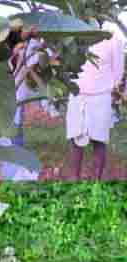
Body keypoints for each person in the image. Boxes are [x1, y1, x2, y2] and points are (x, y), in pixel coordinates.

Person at [64, 18, 125, 180]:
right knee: (76, 140)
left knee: (99, 141)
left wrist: (108, 89)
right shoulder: (75, 31)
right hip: (78, 95)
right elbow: (68, 62)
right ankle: (75, 179)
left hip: (101, 97)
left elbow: (117, 72)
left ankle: (96, 182)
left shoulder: (112, 37)